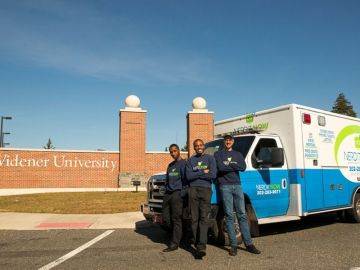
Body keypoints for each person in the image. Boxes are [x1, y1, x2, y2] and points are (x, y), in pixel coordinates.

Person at [214, 134, 261, 256]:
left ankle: (249, 244)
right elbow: (220, 167)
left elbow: (243, 167)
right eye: (226, 140)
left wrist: (229, 165)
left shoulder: (238, 154)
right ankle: (233, 245)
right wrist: (234, 166)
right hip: (224, 186)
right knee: (229, 215)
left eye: (230, 140)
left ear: (232, 141)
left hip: (237, 186)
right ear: (223, 142)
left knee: (242, 215)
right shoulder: (218, 154)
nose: (228, 142)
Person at [186, 139, 217, 259]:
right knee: (194, 218)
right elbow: (189, 176)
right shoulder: (190, 160)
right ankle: (195, 240)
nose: (199, 147)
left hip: (205, 190)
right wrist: (203, 171)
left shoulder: (210, 159)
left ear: (204, 146)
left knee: (203, 218)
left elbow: (213, 175)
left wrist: (196, 172)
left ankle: (202, 246)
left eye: (200, 145)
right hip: (193, 190)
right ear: (194, 147)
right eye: (196, 145)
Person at [162, 144, 187, 252]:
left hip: (177, 194)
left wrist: (181, 194)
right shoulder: (170, 165)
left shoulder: (183, 164)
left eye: (175, 151)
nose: (173, 153)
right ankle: (178, 236)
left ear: (179, 151)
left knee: (176, 219)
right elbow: (167, 180)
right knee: (166, 218)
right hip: (168, 194)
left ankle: (175, 244)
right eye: (171, 152)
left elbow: (186, 181)